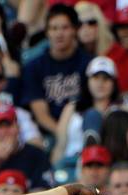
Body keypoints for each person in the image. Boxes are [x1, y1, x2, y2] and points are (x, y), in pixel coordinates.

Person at [22, 3, 92, 136]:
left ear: (75, 30)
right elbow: (41, 115)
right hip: (48, 133)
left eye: (65, 28)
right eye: (54, 28)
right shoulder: (33, 67)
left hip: (81, 129)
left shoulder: (88, 63)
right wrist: (63, 135)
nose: (59, 34)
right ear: (47, 32)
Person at [0, 102, 54, 195]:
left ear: (18, 128)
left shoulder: (37, 155)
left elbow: (45, 192)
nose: (5, 132)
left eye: (8, 125)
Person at [51, 56, 120, 163]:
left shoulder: (121, 109)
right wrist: (55, 168)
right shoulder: (71, 108)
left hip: (108, 163)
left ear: (114, 83)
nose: (100, 83)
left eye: (106, 78)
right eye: (96, 77)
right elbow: (60, 145)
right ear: (87, 80)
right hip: (73, 161)